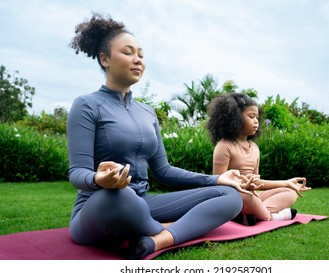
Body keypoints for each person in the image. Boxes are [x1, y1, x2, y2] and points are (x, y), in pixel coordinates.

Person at [66, 13, 252, 259]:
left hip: (143, 203)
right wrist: (99, 179)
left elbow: (163, 171)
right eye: (128, 52)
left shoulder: (147, 112)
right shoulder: (86, 105)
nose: (137, 60)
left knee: (230, 196)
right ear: (105, 59)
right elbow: (77, 174)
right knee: (124, 196)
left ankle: (158, 240)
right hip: (102, 204)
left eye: (141, 55)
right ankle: (171, 230)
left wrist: (217, 180)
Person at [206, 93, 311, 225]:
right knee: (247, 197)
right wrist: (243, 187)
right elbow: (219, 183)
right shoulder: (224, 146)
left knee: (290, 192)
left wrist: (285, 183)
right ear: (235, 118)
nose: (256, 121)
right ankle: (269, 217)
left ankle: (255, 215)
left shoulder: (254, 147)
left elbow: (257, 183)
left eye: (257, 117)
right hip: (236, 197)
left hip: (253, 196)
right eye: (251, 116)